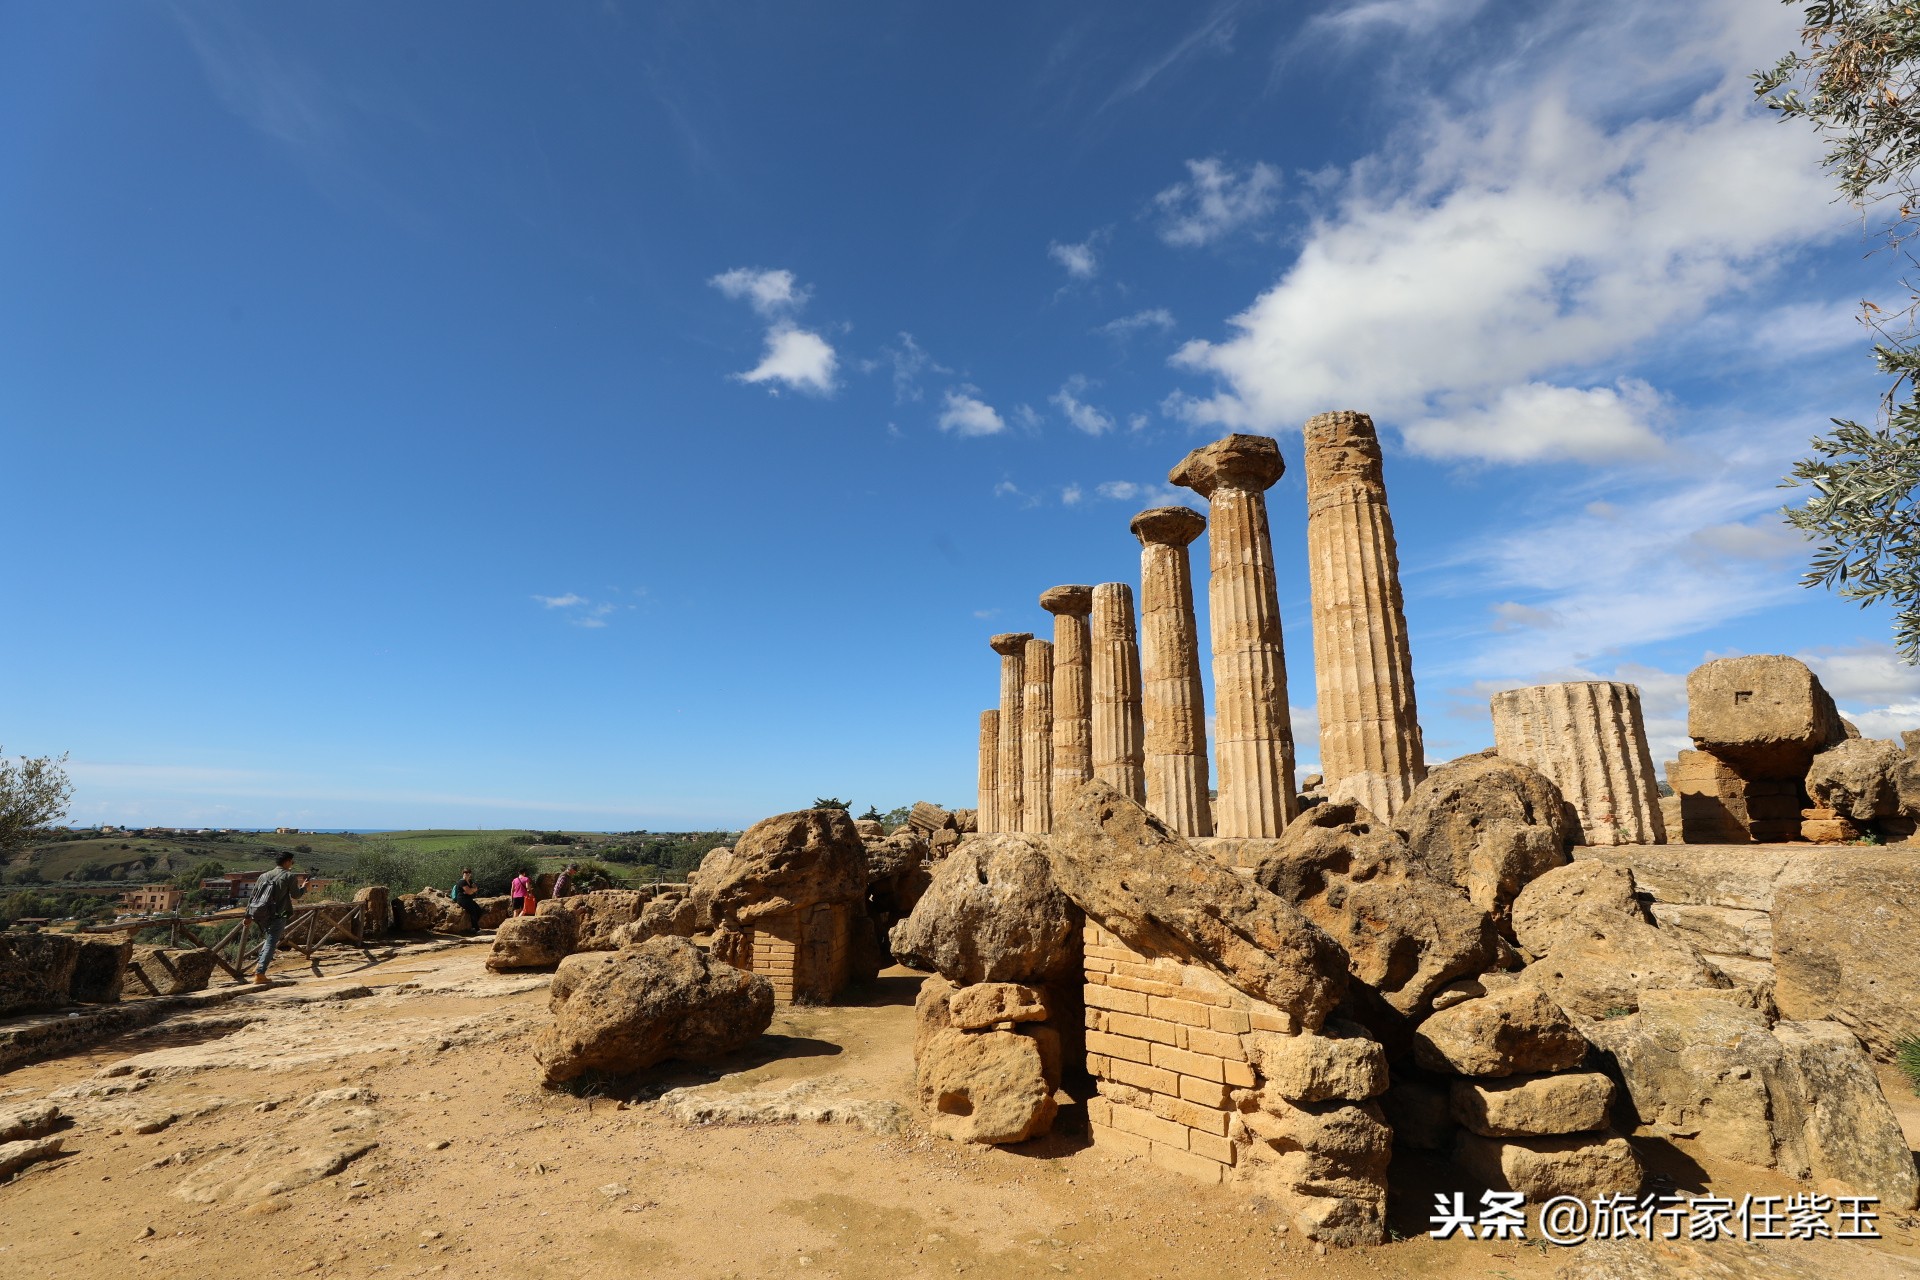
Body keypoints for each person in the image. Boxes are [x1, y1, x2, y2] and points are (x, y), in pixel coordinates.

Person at [248, 852, 307, 984]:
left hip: (261, 914)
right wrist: (304, 888)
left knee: (268, 940)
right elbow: (296, 895)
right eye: (292, 862)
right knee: (271, 942)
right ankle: (260, 974)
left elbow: (253, 896)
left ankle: (258, 966)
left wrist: (248, 915)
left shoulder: (264, 876)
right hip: (278, 914)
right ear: (286, 862)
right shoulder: (289, 876)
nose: (292, 864)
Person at [451, 867, 482, 931]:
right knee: (473, 912)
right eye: (465, 872)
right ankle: (476, 929)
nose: (467, 874)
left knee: (479, 910)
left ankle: (473, 926)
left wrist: (471, 890)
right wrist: (472, 890)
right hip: (462, 899)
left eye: (468, 873)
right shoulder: (462, 882)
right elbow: (469, 892)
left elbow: (475, 888)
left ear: (470, 874)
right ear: (463, 873)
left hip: (468, 899)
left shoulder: (470, 881)